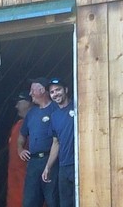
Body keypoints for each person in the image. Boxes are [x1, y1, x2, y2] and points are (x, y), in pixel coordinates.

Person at [18, 77, 59, 207]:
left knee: (53, 200)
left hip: (51, 160)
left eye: (32, 90)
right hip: (33, 163)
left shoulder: (55, 108)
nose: (30, 94)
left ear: (42, 90)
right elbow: (21, 136)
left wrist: (49, 165)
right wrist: (20, 149)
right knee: (30, 201)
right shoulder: (31, 113)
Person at [42, 78, 75, 207]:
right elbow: (56, 143)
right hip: (63, 166)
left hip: (79, 164)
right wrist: (48, 167)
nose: (55, 93)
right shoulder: (54, 116)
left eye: (58, 89)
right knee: (65, 203)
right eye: (52, 92)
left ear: (66, 90)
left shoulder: (78, 107)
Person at [7, 91, 33, 207]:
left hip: (28, 178)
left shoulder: (35, 123)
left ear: (28, 103)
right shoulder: (17, 125)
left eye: (19, 103)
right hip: (14, 180)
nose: (16, 106)